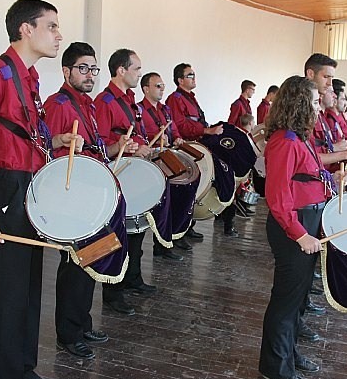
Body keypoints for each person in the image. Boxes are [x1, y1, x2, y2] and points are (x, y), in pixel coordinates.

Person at [0, 0, 73, 379]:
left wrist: (56, 140)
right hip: (5, 190)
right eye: (52, 26)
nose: (59, 34)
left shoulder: (29, 78)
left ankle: (24, 373)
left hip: (27, 186)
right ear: (26, 29)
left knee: (28, 290)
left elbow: (18, 134)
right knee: (9, 297)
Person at [44, 42, 134, 360]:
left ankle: (82, 323)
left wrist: (117, 146)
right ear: (66, 71)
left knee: (89, 264)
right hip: (74, 201)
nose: (89, 74)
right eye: (83, 68)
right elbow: (54, 161)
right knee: (75, 266)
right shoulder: (58, 104)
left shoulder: (88, 105)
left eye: (93, 68)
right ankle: (68, 333)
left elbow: (96, 149)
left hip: (93, 196)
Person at [258, 75, 342, 379]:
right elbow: (278, 198)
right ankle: (275, 366)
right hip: (293, 228)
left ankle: (289, 354)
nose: (320, 105)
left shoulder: (300, 137)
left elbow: (305, 177)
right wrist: (299, 234)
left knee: (298, 301)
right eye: (315, 100)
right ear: (300, 102)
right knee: (286, 300)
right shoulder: (284, 141)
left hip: (306, 223)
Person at [94, 48, 156, 316]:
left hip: (133, 169)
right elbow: (102, 143)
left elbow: (135, 134)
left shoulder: (130, 100)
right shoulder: (105, 101)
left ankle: (133, 278)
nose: (139, 74)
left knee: (137, 228)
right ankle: (113, 292)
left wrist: (141, 147)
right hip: (117, 172)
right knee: (118, 232)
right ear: (121, 70)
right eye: (136, 69)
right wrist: (129, 148)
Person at [166, 63, 239, 237]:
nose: (194, 77)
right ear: (180, 80)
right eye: (190, 75)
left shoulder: (190, 98)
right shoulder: (175, 99)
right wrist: (207, 131)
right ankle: (182, 229)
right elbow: (181, 125)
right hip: (188, 149)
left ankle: (189, 226)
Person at [138, 71, 193, 260]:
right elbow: (141, 139)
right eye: (158, 86)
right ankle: (162, 244)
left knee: (187, 184)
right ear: (146, 89)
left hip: (168, 156)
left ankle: (176, 233)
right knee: (164, 202)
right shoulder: (139, 110)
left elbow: (174, 131)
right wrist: (154, 143)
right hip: (153, 162)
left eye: (163, 86)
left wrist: (176, 138)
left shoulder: (165, 109)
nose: (162, 89)